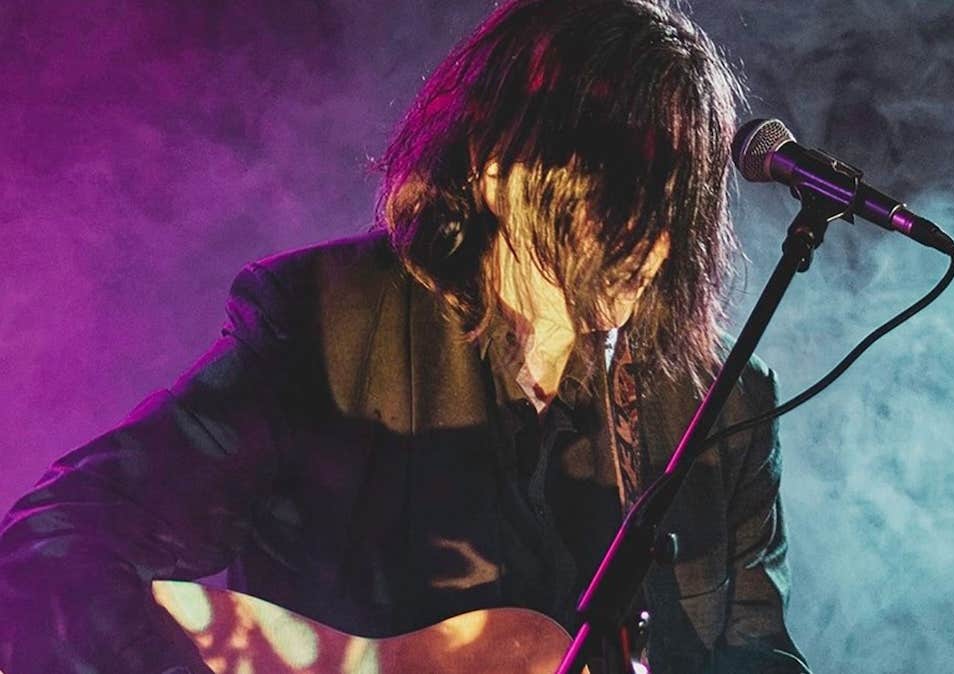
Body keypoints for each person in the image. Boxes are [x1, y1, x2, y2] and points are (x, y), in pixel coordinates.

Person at [0, 0, 810, 672]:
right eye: (618, 191)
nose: (652, 235)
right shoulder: (327, 330)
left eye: (679, 199)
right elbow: (54, 545)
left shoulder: (721, 407)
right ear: (499, 165)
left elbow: (755, 647)